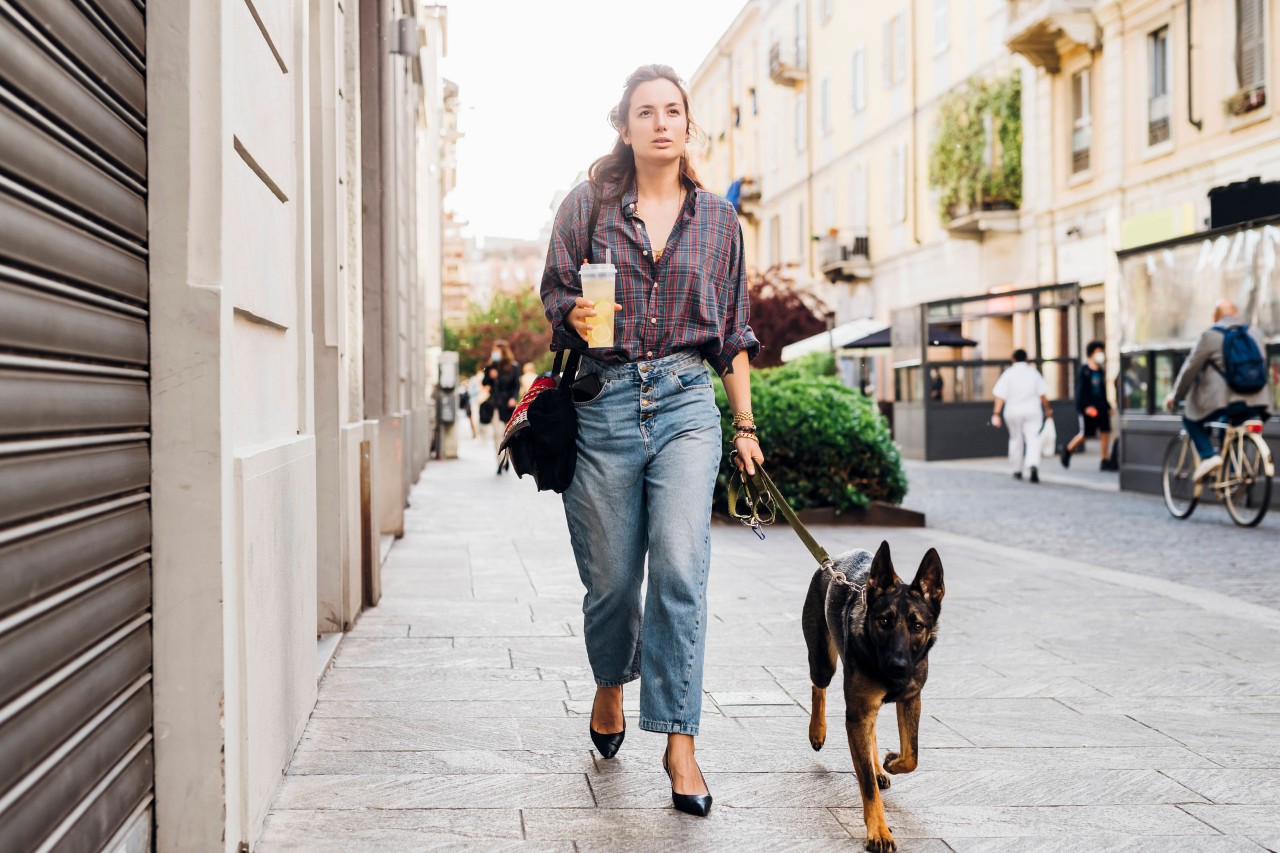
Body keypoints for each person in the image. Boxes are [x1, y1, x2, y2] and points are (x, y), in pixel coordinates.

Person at [539, 64, 760, 817]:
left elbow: (733, 336)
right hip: (602, 402)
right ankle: (610, 681)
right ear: (625, 126)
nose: (661, 122)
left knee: (678, 567)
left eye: (673, 110)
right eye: (646, 112)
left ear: (687, 125)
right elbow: (553, 288)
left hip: (685, 404)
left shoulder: (720, 223)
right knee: (609, 583)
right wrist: (573, 314)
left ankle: (680, 740)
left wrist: (746, 426)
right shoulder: (587, 206)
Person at [1164, 300, 1272, 482]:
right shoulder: (1255, 334)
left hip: (1225, 402)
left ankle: (1208, 456)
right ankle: (1232, 474)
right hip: (1257, 401)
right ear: (1236, 315)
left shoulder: (1210, 335)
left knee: (1189, 418)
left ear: (1214, 317)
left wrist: (1175, 397)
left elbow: (1189, 370)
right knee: (1227, 425)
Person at [991, 349, 1053, 483]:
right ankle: (1033, 464)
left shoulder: (1008, 374)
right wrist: (1047, 409)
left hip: (1013, 411)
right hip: (1032, 410)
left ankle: (1017, 469)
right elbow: (1042, 394)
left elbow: (1000, 395)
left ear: (1013, 360)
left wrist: (996, 413)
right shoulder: (1033, 373)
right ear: (1026, 359)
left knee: (1015, 439)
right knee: (1033, 438)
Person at [1061, 340, 1115, 470]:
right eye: (1098, 352)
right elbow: (1080, 392)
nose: (1100, 354)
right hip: (1088, 408)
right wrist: (1086, 407)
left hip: (1101, 407)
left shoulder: (1101, 371)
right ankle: (1068, 450)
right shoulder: (1084, 371)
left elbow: (1103, 391)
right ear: (1091, 353)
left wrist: (1108, 407)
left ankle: (1104, 459)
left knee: (1105, 432)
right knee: (1085, 434)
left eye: (1101, 352)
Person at [482, 341, 521, 473]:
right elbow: (484, 382)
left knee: (507, 434)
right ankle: (499, 462)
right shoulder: (491, 366)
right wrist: (489, 374)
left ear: (503, 352)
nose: (495, 354)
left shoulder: (513, 367)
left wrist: (513, 398)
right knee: (496, 434)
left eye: (497, 351)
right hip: (495, 405)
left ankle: (507, 457)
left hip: (507, 405)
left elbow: (516, 385)